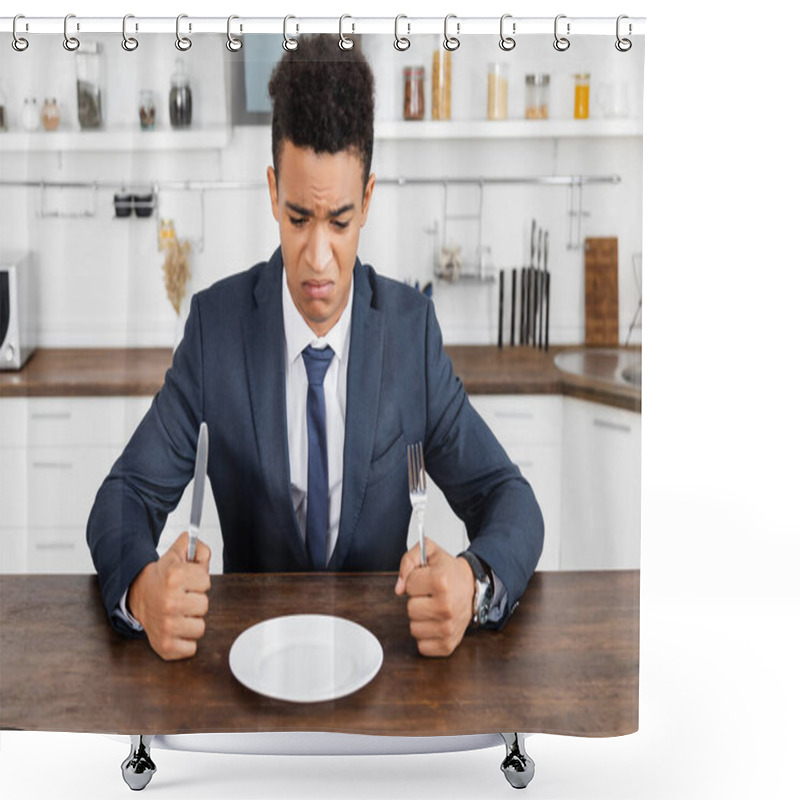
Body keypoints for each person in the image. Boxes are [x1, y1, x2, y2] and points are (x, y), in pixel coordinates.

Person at [86, 34, 543, 662]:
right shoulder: (216, 329)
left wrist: (473, 580)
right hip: (250, 671)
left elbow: (510, 500)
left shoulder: (410, 334)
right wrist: (142, 590)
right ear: (273, 192)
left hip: (386, 678)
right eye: (300, 218)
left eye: (340, 221)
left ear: (369, 201)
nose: (319, 258)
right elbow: (122, 497)